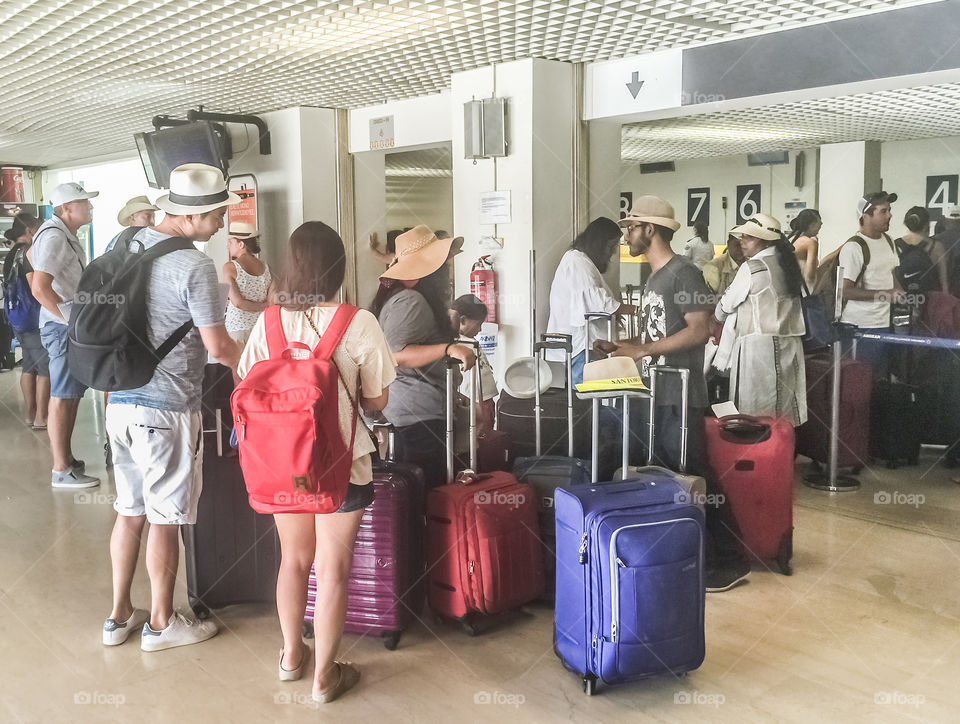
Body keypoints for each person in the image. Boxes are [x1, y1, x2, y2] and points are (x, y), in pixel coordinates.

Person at [239, 221, 396, 703]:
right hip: (341, 466)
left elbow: (246, 381)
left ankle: (290, 656)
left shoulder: (268, 321)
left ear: (289, 266)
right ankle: (325, 677)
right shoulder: (358, 321)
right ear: (339, 268)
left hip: (282, 464)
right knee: (332, 569)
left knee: (294, 561)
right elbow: (377, 401)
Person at [102, 164, 243, 653]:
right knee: (165, 517)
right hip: (165, 410)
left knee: (129, 511)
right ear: (197, 215)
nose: (224, 221)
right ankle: (162, 623)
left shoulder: (127, 244)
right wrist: (256, 368)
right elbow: (218, 346)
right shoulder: (195, 265)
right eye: (220, 213)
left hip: (118, 403)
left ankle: (119, 616)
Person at [596, 195, 751, 593]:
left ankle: (727, 561)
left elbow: (700, 329)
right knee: (671, 479)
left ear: (649, 229)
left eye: (631, 227)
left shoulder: (684, 274)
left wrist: (645, 350)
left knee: (695, 478)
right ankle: (686, 557)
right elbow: (658, 335)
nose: (626, 234)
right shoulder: (654, 277)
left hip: (680, 393)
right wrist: (627, 345)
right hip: (656, 391)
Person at [371, 224, 475, 485]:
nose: (447, 273)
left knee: (423, 494)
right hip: (417, 412)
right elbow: (398, 354)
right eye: (442, 266)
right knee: (427, 495)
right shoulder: (410, 301)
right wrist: (448, 349)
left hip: (421, 409)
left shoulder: (409, 298)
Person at [29, 182, 101, 488]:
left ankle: (67, 460)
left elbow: (33, 256)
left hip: (64, 325)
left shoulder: (56, 233)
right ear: (66, 209)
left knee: (71, 395)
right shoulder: (56, 236)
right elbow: (39, 287)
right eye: (85, 203)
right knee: (62, 395)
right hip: (63, 329)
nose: (91, 207)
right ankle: (61, 469)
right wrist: (69, 320)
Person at [713, 214, 807, 426]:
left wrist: (716, 317)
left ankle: (758, 454)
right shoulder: (789, 264)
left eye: (749, 237)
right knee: (784, 411)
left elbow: (725, 307)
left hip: (758, 348)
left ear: (764, 240)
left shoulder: (753, 267)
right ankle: (782, 452)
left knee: (755, 412)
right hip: (791, 345)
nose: (742, 241)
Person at [545, 217, 636, 386]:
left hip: (585, 348)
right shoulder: (576, 261)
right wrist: (637, 310)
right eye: (611, 246)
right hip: (582, 349)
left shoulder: (582, 262)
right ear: (599, 244)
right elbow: (596, 302)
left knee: (593, 404)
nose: (613, 252)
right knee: (588, 406)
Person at [838, 191, 903, 370]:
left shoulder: (889, 241)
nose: (890, 215)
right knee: (859, 383)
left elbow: (891, 273)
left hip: (885, 324)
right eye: (883, 211)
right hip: (859, 327)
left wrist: (900, 294)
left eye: (889, 210)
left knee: (879, 382)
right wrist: (886, 295)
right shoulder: (854, 247)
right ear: (866, 216)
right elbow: (845, 290)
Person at [2, 213, 49, 429]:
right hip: (33, 318)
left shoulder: (11, 255)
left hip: (16, 318)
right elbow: (35, 288)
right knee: (45, 368)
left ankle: (30, 415)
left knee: (29, 366)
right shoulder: (29, 253)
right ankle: (41, 417)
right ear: (30, 230)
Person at [450, 294, 497, 434]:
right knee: (479, 433)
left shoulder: (469, 341)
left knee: (487, 429)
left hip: (486, 397)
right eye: (478, 324)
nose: (480, 330)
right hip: (474, 399)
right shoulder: (457, 344)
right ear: (462, 320)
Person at [224, 222, 273, 345]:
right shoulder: (266, 267)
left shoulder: (230, 267)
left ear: (241, 244)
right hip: (261, 328)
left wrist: (262, 306)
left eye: (230, 242)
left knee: (238, 364)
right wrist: (265, 306)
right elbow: (274, 298)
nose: (227, 246)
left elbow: (238, 303)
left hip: (238, 328)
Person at [894, 206, 948, 294]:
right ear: (926, 224)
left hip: (902, 298)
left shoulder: (894, 245)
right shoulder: (936, 246)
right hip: (929, 300)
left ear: (907, 223)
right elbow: (944, 282)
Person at [786, 209, 821, 284]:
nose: (821, 223)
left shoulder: (789, 239)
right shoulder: (810, 243)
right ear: (811, 224)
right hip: (803, 286)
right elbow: (810, 274)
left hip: (790, 284)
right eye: (819, 221)